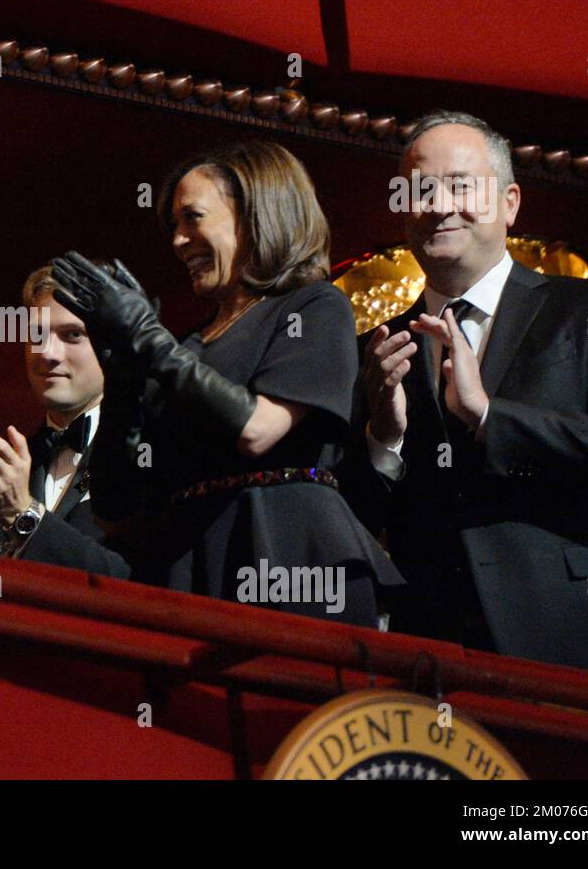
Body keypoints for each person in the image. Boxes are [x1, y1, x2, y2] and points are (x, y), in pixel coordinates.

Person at [340, 110, 588, 676]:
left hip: (583, 641)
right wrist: (383, 439)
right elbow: (349, 515)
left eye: (460, 185)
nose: (438, 203)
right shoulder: (377, 349)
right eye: (420, 189)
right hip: (434, 655)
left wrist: (489, 418)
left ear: (509, 203)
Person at [50, 141, 403, 626]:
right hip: (185, 570)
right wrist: (125, 383)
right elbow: (115, 507)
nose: (177, 240)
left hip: (287, 560)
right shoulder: (184, 347)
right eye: (173, 226)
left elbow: (259, 428)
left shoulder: (313, 308)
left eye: (192, 218)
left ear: (256, 215)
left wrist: (148, 338)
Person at [0, 263, 129, 575]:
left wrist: (24, 513)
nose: (47, 353)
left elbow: (132, 579)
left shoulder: (145, 454)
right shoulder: (8, 468)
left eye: (72, 334)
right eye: (37, 334)